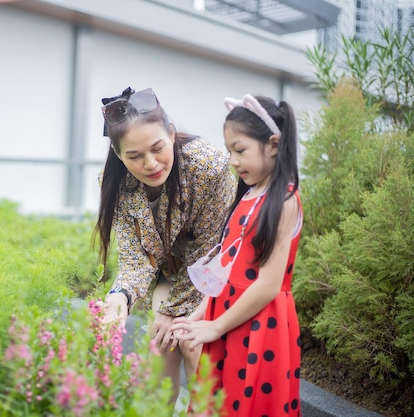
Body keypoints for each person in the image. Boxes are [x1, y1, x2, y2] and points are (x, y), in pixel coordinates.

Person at [95, 86, 235, 406]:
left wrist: (173, 310)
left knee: (191, 343)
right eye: (134, 156)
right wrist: (120, 296)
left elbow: (210, 250)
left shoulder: (208, 166)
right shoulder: (114, 182)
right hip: (168, 272)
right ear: (119, 155)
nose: (151, 164)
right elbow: (136, 257)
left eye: (157, 148)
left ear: (171, 133)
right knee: (160, 347)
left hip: (216, 272)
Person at [170, 94, 303, 416]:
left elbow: (269, 284)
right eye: (230, 151)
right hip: (228, 317)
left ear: (273, 144)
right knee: (220, 402)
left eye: (240, 150)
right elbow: (227, 271)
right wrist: (199, 316)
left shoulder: (285, 201)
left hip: (260, 325)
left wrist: (216, 326)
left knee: (246, 402)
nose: (232, 160)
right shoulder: (249, 195)